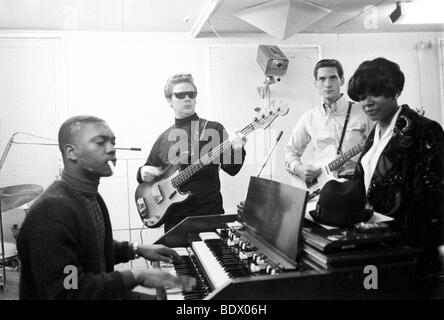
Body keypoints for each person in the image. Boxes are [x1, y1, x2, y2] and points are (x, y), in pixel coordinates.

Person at [17, 115, 194, 300]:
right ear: (71, 152)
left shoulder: (89, 196)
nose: (111, 149)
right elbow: (69, 289)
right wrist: (136, 276)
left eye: (113, 142)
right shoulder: (52, 212)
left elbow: (90, 248)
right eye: (100, 142)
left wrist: (136, 249)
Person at [347, 57, 444, 298]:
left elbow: (436, 197)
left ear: (395, 91)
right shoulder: (376, 132)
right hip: (376, 244)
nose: (367, 103)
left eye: (375, 94)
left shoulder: (424, 129)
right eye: (361, 97)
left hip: (410, 248)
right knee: (373, 293)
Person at [137, 73, 246, 232]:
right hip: (175, 221)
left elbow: (232, 169)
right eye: (180, 95)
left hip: (209, 216)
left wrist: (237, 149)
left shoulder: (213, 129)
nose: (187, 98)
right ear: (169, 100)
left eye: (191, 94)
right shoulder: (164, 138)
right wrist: (141, 172)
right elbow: (146, 172)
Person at [284, 59, 371, 184]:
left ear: (342, 80)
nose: (327, 84)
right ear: (315, 83)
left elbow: (378, 147)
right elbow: (290, 150)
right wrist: (298, 168)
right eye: (322, 79)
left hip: (358, 182)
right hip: (322, 185)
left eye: (333, 78)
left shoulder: (364, 112)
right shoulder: (309, 117)